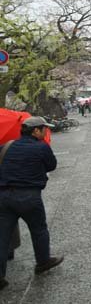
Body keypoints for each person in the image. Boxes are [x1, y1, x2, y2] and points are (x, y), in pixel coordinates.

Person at [0, 117, 64, 290]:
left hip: (4, 196)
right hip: (29, 196)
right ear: (36, 131)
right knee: (38, 229)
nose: (46, 132)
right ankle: (42, 262)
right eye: (44, 129)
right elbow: (51, 166)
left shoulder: (8, 145)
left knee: (2, 235)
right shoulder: (42, 147)